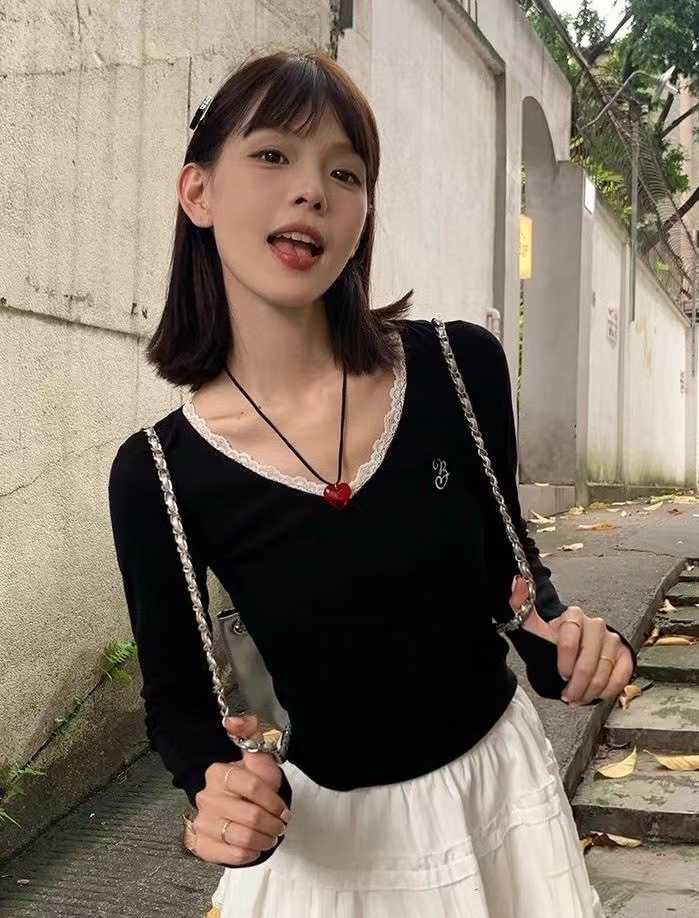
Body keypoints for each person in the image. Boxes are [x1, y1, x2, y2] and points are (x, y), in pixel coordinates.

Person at [108, 48, 637, 918]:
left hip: (499, 810)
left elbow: (516, 591)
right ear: (197, 192)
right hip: (330, 858)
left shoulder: (457, 369)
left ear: (362, 213)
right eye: (272, 154)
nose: (311, 190)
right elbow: (179, 708)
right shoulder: (157, 473)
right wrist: (214, 792)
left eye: (344, 171)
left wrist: (578, 647)